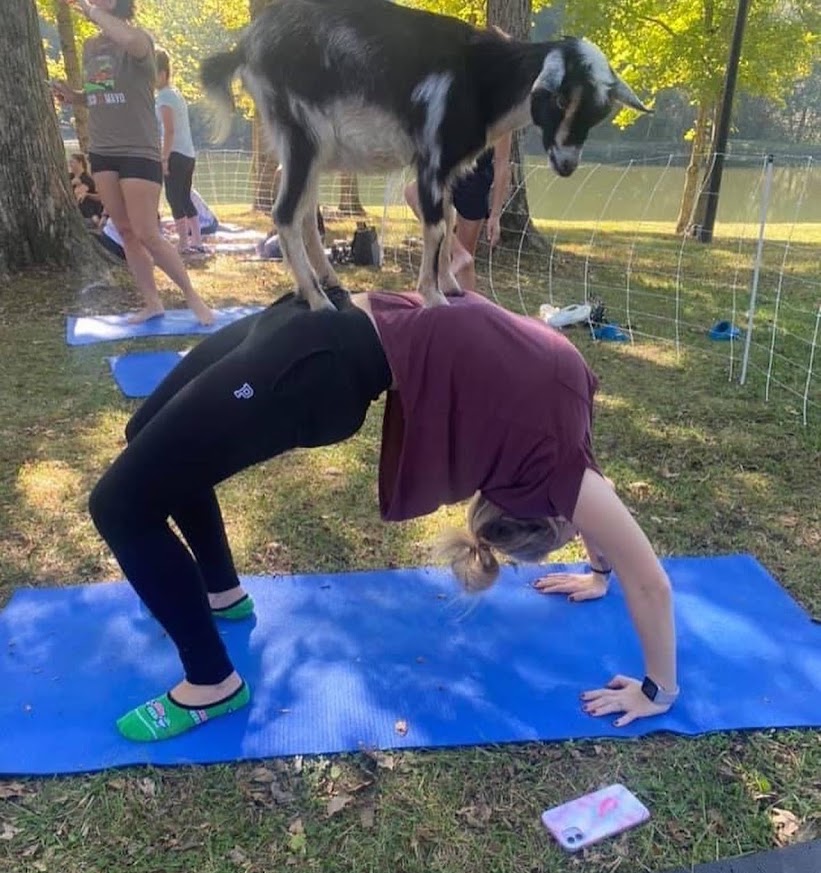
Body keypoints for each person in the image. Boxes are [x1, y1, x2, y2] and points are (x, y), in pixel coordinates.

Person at [89, 287, 679, 744]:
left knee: (119, 506)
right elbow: (626, 553)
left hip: (319, 362)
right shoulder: (565, 461)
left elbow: (645, 577)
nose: (586, 527)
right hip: (317, 311)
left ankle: (211, 682)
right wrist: (601, 574)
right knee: (146, 436)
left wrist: (657, 689)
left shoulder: (560, 447)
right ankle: (220, 593)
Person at [51, 0, 212, 326]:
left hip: (138, 150)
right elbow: (102, 89)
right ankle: (152, 303)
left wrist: (89, 10)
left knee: (146, 232)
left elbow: (130, 43)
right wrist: (74, 96)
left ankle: (193, 297)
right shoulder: (92, 46)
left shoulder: (140, 41)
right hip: (102, 149)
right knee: (126, 231)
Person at [405, 134, 512, 293]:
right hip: (448, 170)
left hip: (476, 178)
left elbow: (502, 164)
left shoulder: (502, 115)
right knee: (413, 193)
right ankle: (458, 253)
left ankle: (468, 311)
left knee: (467, 258)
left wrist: (495, 215)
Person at [154, 48, 203, 254]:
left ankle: (183, 242)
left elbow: (169, 130)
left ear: (163, 73)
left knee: (174, 198)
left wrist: (164, 159)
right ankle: (197, 241)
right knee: (184, 197)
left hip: (175, 154)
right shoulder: (176, 94)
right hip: (188, 153)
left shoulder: (165, 97)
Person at [69, 152, 105, 225]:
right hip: (79, 208)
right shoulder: (70, 176)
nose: (70, 164)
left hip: (89, 208)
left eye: (72, 162)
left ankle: (94, 218)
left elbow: (78, 194)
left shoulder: (86, 179)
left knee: (83, 198)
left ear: (80, 163)